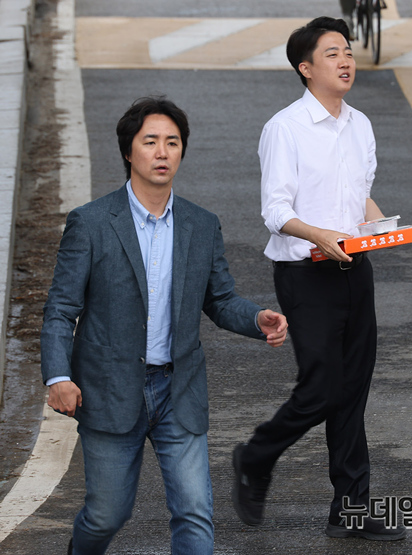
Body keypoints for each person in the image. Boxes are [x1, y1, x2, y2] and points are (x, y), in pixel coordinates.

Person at [40, 95, 288, 555]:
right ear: (128, 151)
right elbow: (60, 308)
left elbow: (219, 300)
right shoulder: (91, 223)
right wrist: (58, 376)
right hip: (110, 389)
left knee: (195, 513)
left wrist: (257, 319)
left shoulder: (202, 224)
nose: (162, 152)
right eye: (150, 141)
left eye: (172, 142)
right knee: (107, 514)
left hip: (178, 388)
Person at [231, 17, 405, 541]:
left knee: (352, 392)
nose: (345, 61)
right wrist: (319, 235)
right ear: (305, 69)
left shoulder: (360, 124)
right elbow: (275, 210)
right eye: (332, 54)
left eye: (347, 51)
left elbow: (360, 194)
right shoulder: (284, 128)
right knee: (322, 388)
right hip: (305, 274)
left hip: (355, 269)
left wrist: (382, 227)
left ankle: (349, 511)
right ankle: (255, 456)